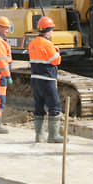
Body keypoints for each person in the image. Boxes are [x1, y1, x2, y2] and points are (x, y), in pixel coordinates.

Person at [28, 15, 63, 143]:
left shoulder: (32, 43)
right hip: (47, 79)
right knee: (54, 106)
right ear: (49, 29)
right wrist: (57, 51)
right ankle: (53, 136)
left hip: (35, 79)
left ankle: (39, 135)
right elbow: (56, 60)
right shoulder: (47, 44)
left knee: (39, 106)